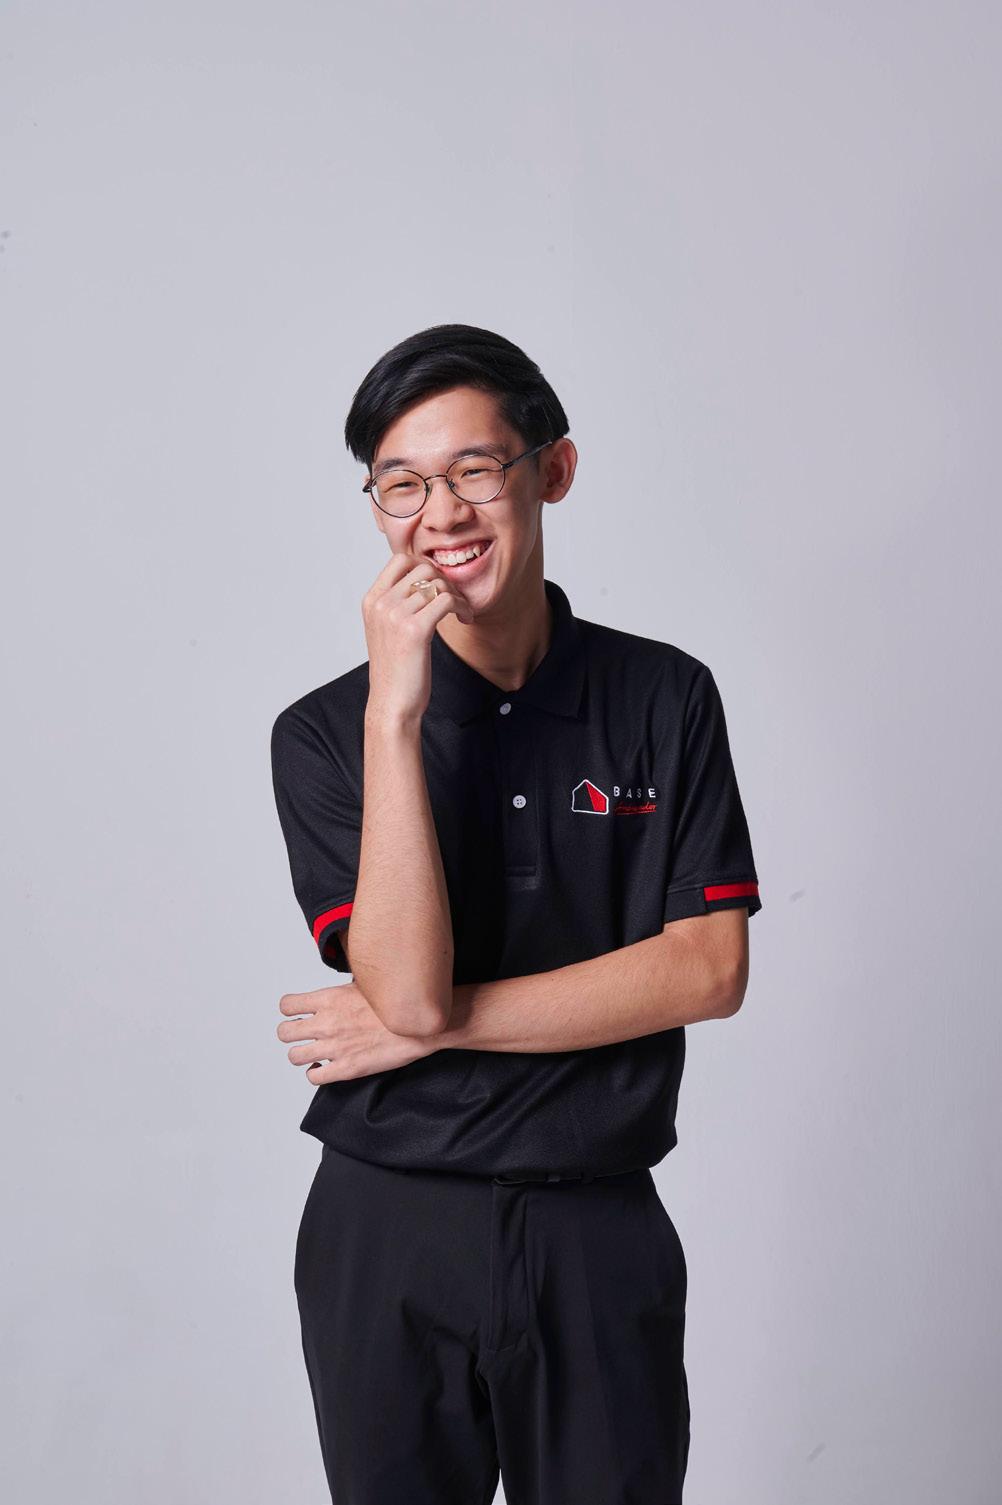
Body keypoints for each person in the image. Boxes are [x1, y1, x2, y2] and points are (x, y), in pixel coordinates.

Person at [269, 322, 762, 1505]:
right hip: (388, 1224)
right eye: (401, 484)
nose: (441, 512)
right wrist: (396, 712)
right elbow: (405, 985)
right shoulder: (326, 733)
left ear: (554, 469)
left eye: (475, 469)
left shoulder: (664, 694)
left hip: (597, 1222)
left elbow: (708, 970)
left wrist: (432, 1026)